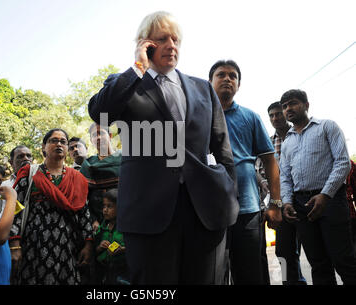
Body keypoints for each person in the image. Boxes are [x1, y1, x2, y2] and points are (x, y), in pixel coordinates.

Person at [89, 11, 238, 284]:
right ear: (145, 44)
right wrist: (137, 67)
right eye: (162, 39)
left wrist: (228, 191)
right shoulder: (126, 84)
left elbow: (223, 149)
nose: (172, 45)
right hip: (149, 214)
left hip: (205, 211)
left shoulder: (203, 88)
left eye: (176, 39)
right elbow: (101, 112)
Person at [209, 59, 282, 284]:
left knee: (252, 275)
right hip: (209, 213)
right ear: (210, 82)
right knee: (214, 275)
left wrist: (275, 204)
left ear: (238, 85)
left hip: (248, 211)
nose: (227, 79)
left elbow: (270, 161)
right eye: (221, 74)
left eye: (233, 76)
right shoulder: (200, 117)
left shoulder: (250, 117)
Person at [280, 89, 356, 285]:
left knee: (344, 259)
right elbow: (286, 177)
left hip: (330, 201)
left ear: (306, 105)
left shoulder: (326, 127)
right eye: (285, 106)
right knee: (318, 263)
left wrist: (325, 195)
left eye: (293, 103)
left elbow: (342, 163)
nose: (288, 108)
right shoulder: (287, 142)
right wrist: (287, 202)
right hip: (301, 205)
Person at [9, 128, 93, 285]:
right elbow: (15, 209)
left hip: (68, 248)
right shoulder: (29, 174)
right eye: (54, 140)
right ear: (43, 147)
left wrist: (88, 244)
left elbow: (84, 213)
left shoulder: (77, 178)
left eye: (63, 141)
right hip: (33, 248)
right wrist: (14, 245)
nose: (59, 144)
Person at [266, 101, 306, 285]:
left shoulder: (300, 134)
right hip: (280, 203)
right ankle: (291, 282)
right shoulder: (267, 141)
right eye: (271, 115)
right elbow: (260, 170)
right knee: (283, 251)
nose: (275, 118)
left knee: (315, 250)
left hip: (304, 198)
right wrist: (267, 184)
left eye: (278, 114)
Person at [80, 124, 121, 232]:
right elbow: (83, 198)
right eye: (94, 135)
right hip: (99, 223)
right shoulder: (88, 164)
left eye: (101, 133)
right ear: (91, 140)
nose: (98, 137)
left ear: (110, 135)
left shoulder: (124, 158)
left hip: (126, 217)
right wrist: (93, 219)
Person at [93, 188, 129, 285]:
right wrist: (100, 247)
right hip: (104, 270)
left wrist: (122, 249)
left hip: (122, 271)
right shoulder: (102, 227)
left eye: (110, 206)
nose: (105, 210)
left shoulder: (126, 228)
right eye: (104, 206)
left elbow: (136, 248)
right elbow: (94, 251)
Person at [0, 145, 33, 214]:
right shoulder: (2, 186)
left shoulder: (39, 183)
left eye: (28, 156)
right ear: (11, 163)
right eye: (20, 156)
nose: (26, 159)